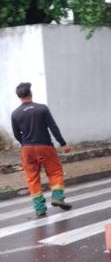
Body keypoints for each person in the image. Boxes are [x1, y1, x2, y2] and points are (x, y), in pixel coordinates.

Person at [11, 82, 72, 217]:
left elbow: (16, 134)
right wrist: (63, 144)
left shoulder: (15, 114)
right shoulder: (42, 109)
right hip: (45, 146)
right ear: (30, 93)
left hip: (27, 149)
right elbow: (53, 127)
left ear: (19, 96)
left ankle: (39, 209)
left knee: (32, 179)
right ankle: (57, 197)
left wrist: (25, 144)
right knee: (55, 172)